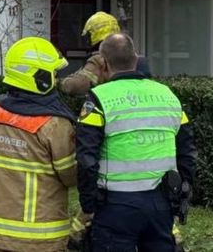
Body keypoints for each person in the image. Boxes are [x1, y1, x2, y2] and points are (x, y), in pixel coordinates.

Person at [75, 34, 196, 251]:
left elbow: (86, 158)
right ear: (136, 58)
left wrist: (88, 205)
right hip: (161, 204)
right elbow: (187, 152)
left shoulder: (99, 99)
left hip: (116, 206)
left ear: (103, 63)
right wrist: (181, 196)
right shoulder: (167, 95)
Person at [0, 37, 77, 252]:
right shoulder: (54, 123)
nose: (57, 80)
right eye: (54, 74)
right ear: (40, 77)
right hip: (39, 236)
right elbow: (70, 176)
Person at [59, 12, 151, 97]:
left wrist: (58, 83)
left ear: (93, 35)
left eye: (88, 35)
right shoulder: (132, 57)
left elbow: (75, 86)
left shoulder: (99, 60)